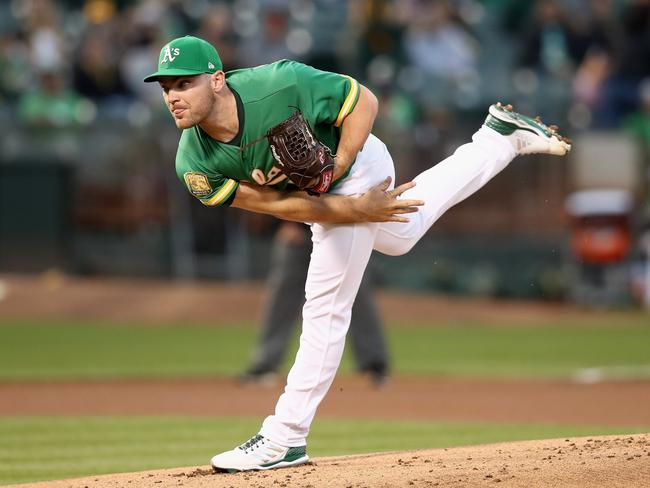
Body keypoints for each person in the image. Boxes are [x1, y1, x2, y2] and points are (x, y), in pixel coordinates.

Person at [144, 35, 571, 473]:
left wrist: (340, 169)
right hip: (326, 197)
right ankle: (497, 138)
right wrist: (349, 210)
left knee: (326, 304)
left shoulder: (279, 82)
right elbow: (272, 204)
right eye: (166, 89)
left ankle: (285, 437)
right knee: (404, 233)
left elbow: (362, 101)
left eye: (184, 84)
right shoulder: (193, 161)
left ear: (217, 80)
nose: (173, 97)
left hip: (359, 163)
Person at [240, 221, 389, 387]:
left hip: (344, 232)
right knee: (282, 297)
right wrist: (290, 223)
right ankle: (266, 364)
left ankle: (374, 365)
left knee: (359, 297)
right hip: (302, 231)